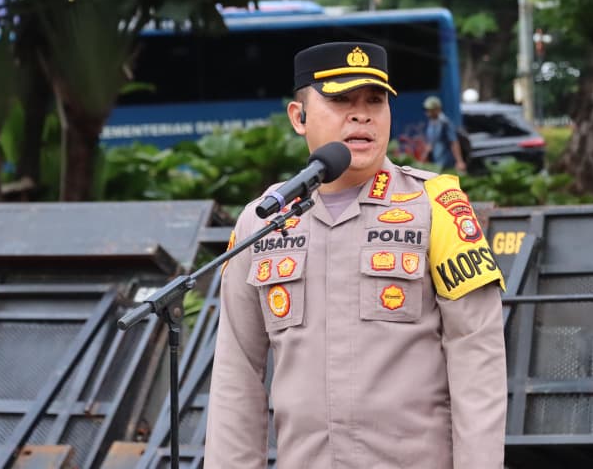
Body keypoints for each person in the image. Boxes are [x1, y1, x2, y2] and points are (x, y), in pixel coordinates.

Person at [205, 42, 507, 468]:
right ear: (299, 117)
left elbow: (479, 362)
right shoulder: (262, 221)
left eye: (375, 101)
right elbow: (237, 374)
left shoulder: (437, 207)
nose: (361, 114)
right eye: (341, 100)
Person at [422, 95, 467, 172]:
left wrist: (459, 161)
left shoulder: (445, 123)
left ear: (437, 109)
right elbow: (430, 143)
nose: (428, 112)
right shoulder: (431, 123)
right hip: (436, 163)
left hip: (447, 163)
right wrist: (423, 158)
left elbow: (454, 142)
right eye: (427, 110)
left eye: (430, 110)